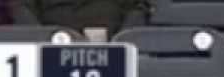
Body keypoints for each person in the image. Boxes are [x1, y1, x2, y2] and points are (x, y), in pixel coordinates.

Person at [10, 0, 150, 36]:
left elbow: (137, 8)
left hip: (114, 54)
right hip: (51, 56)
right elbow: (22, 9)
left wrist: (120, 45)